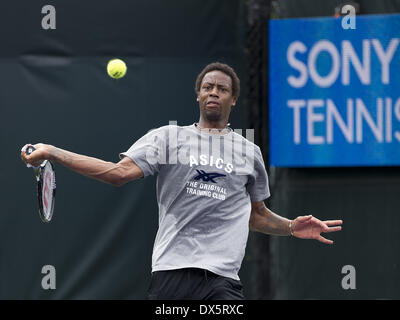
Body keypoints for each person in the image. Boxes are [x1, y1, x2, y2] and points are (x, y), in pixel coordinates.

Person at [21, 62, 343, 300]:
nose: (213, 92)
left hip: (222, 281)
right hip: (170, 275)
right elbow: (117, 174)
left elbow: (255, 215)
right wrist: (54, 152)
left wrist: (289, 226)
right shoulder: (167, 138)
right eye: (207, 87)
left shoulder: (249, 152)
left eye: (222, 89)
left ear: (233, 100)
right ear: (199, 96)